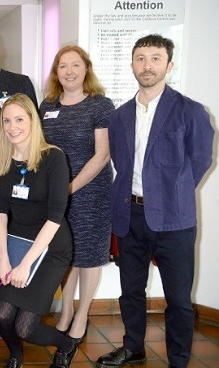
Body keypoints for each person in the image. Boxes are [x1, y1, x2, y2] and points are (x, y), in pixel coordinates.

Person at [96, 34, 214, 368]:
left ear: (169, 64)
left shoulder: (190, 111)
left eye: (155, 58)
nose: (147, 65)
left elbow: (201, 160)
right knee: (130, 291)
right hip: (129, 215)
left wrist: (170, 193)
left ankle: (178, 360)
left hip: (175, 220)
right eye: (141, 58)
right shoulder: (119, 117)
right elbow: (122, 161)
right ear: (132, 64)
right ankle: (133, 347)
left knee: (178, 299)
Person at [0, 94, 77, 368]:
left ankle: (66, 344)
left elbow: (55, 218)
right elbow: (0, 212)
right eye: (7, 120)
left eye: (19, 119)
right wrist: (3, 258)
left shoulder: (53, 157)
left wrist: (26, 265)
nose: (12, 126)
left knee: (26, 327)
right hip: (17, 242)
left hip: (51, 247)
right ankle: (15, 355)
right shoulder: (1, 161)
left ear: (33, 120)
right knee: (3, 314)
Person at [39, 45, 114, 346]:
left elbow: (102, 155)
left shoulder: (100, 105)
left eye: (75, 65)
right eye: (62, 66)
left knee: (88, 255)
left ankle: (82, 314)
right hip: (56, 191)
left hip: (91, 192)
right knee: (64, 254)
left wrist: (69, 187)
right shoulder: (47, 105)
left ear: (86, 69)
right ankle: (65, 311)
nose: (69, 71)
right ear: (56, 72)